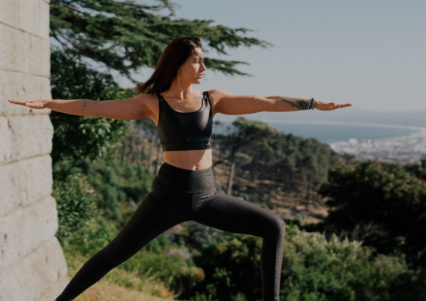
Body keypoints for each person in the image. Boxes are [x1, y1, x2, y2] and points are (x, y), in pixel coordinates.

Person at [9, 36, 351, 301]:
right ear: (178, 63)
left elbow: (266, 102)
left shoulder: (211, 99)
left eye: (203, 59)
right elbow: (92, 107)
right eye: (197, 59)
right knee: (113, 254)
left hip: (207, 194)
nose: (203, 66)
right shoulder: (151, 103)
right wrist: (48, 103)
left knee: (274, 226)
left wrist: (311, 103)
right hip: (169, 196)